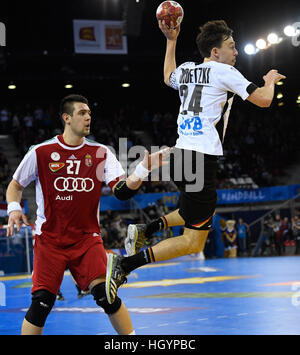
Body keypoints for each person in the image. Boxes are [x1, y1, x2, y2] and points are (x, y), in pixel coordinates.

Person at [105, 19, 286, 304]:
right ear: (215, 52)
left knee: (192, 212)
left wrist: (171, 40)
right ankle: (124, 266)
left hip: (180, 155)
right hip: (201, 159)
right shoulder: (225, 71)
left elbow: (167, 76)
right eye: (231, 46)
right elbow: (264, 100)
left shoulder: (188, 70)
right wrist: (269, 81)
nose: (235, 52)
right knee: (193, 241)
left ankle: (145, 229)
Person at [6, 94, 169, 335]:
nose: (88, 117)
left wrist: (142, 170)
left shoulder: (101, 152)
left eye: (90, 113)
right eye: (82, 113)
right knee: (41, 303)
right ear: (67, 118)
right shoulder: (40, 152)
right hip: (50, 240)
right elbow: (15, 185)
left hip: (86, 240)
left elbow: (122, 192)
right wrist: (14, 208)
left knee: (107, 296)